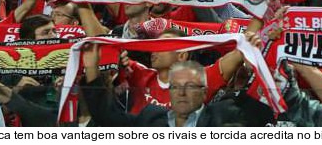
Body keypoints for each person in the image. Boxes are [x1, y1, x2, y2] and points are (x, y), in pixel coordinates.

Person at [81, 45, 274, 126]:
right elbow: (106, 116)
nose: (181, 93)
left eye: (190, 86)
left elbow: (262, 109)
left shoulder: (221, 117)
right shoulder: (152, 117)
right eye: (175, 86)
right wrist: (91, 67)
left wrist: (267, 42)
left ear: (204, 91)